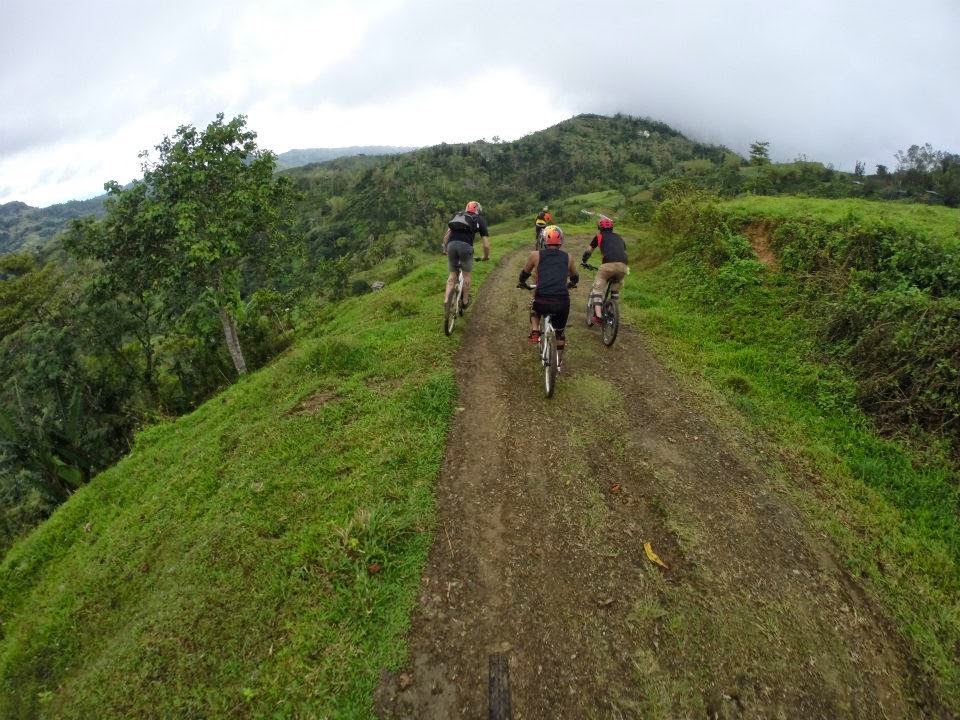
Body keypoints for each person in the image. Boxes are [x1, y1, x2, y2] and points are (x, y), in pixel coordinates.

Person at [517, 224, 579, 367]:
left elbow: (524, 274)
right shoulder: (568, 257)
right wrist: (570, 284)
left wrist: (522, 282)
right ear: (561, 240)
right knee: (560, 332)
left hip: (542, 298)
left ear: (544, 240)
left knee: (534, 305)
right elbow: (575, 277)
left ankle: (535, 330)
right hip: (562, 302)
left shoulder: (535, 255)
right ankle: (558, 361)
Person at [441, 200, 490, 310]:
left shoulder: (458, 215)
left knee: (452, 275)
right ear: (478, 210)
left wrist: (445, 249)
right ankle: (465, 301)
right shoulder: (479, 219)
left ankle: (446, 301)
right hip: (466, 247)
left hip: (451, 245)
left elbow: (446, 236)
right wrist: (485, 257)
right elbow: (486, 245)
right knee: (466, 275)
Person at [581, 215, 628, 325]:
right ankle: (612, 313)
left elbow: (588, 251)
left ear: (600, 228)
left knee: (597, 289)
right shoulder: (619, 237)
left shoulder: (599, 236)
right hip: (624, 266)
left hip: (608, 265)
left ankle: (598, 316)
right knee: (615, 290)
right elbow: (622, 251)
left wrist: (584, 261)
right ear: (612, 228)